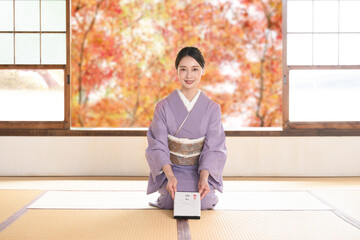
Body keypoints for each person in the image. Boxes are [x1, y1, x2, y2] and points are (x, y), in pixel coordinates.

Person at [145, 46, 227, 210]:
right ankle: (167, 190)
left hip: (199, 171)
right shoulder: (163, 106)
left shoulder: (212, 108)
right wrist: (169, 176)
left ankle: (205, 187)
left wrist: (204, 178)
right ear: (177, 71)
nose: (189, 75)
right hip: (172, 170)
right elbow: (158, 146)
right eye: (183, 69)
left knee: (201, 202)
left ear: (202, 71)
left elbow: (214, 148)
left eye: (195, 69)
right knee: (173, 200)